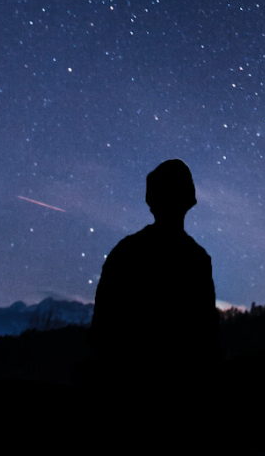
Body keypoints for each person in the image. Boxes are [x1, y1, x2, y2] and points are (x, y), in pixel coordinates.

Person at [87, 159, 222, 397]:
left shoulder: (127, 251)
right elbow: (206, 337)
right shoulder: (196, 259)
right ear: (188, 198)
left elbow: (103, 326)